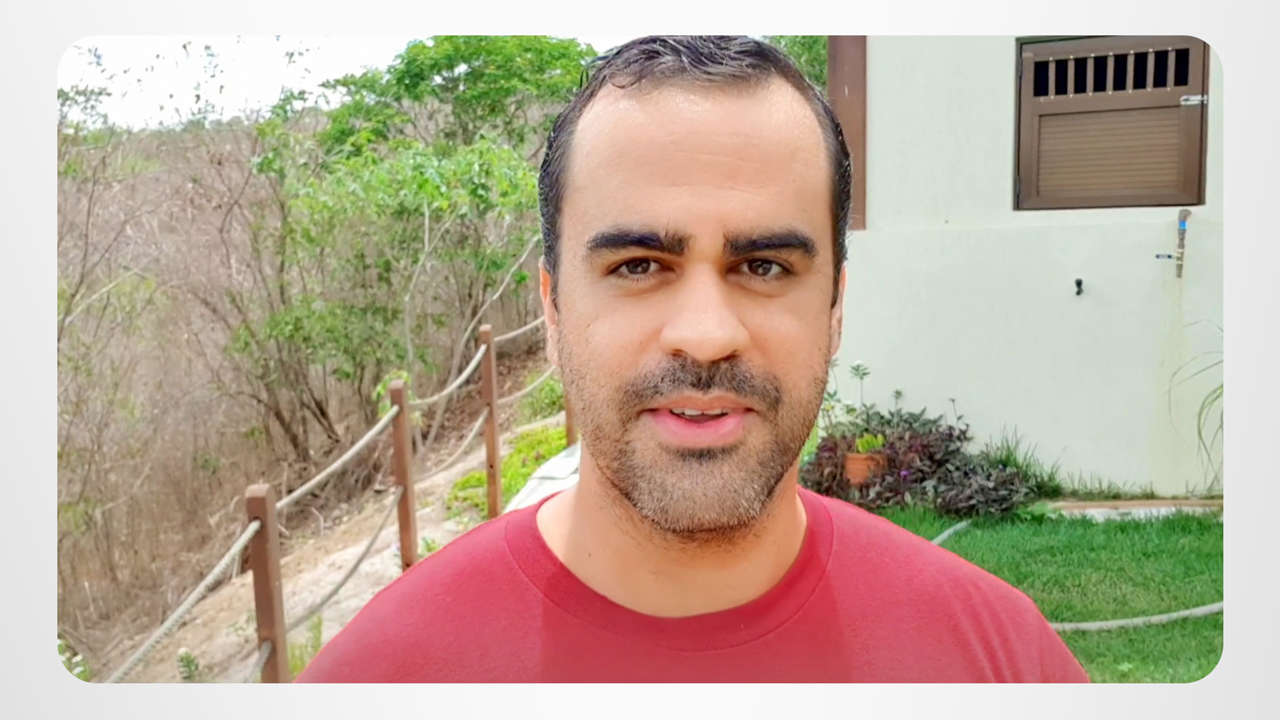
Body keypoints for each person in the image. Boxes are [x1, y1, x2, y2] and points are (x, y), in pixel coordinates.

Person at [297, 35, 1088, 683]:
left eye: (765, 266)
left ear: (836, 306)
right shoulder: (379, 679)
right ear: (552, 305)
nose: (707, 336)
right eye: (638, 265)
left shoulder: (1003, 663)